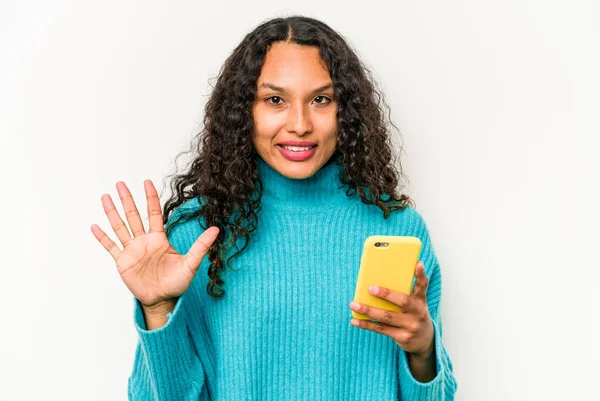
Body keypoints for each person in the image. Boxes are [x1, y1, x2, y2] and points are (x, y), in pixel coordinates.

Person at [91, 15, 457, 401]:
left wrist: (422, 349)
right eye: (275, 100)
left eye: (321, 99)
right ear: (243, 111)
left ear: (345, 111)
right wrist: (157, 309)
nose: (299, 124)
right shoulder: (196, 234)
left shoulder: (398, 230)